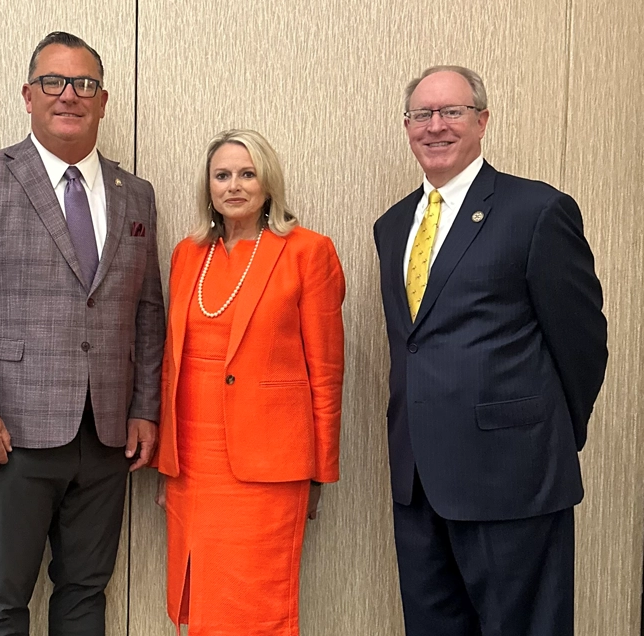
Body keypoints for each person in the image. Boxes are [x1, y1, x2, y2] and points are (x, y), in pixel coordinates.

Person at [0, 31, 166, 636]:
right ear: (28, 95)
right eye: (53, 82)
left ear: (104, 100)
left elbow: (147, 310)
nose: (69, 95)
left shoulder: (135, 193)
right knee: (2, 602)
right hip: (10, 433)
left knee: (86, 593)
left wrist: (144, 408)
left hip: (106, 435)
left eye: (84, 84)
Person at [373, 65, 608, 636]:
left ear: (482, 120)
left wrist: (545, 437)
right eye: (421, 115)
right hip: (419, 480)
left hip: (514, 477)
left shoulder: (537, 211)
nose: (435, 126)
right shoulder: (392, 225)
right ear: (406, 126)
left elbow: (583, 342)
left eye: (451, 111)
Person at [151, 129, 346, 636]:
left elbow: (326, 371)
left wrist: (319, 471)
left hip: (267, 470)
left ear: (267, 182)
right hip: (193, 463)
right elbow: (172, 365)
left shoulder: (308, 251)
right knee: (198, 606)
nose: (233, 185)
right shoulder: (187, 255)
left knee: (253, 609)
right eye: (222, 175)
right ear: (208, 186)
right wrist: (166, 462)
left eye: (246, 173)